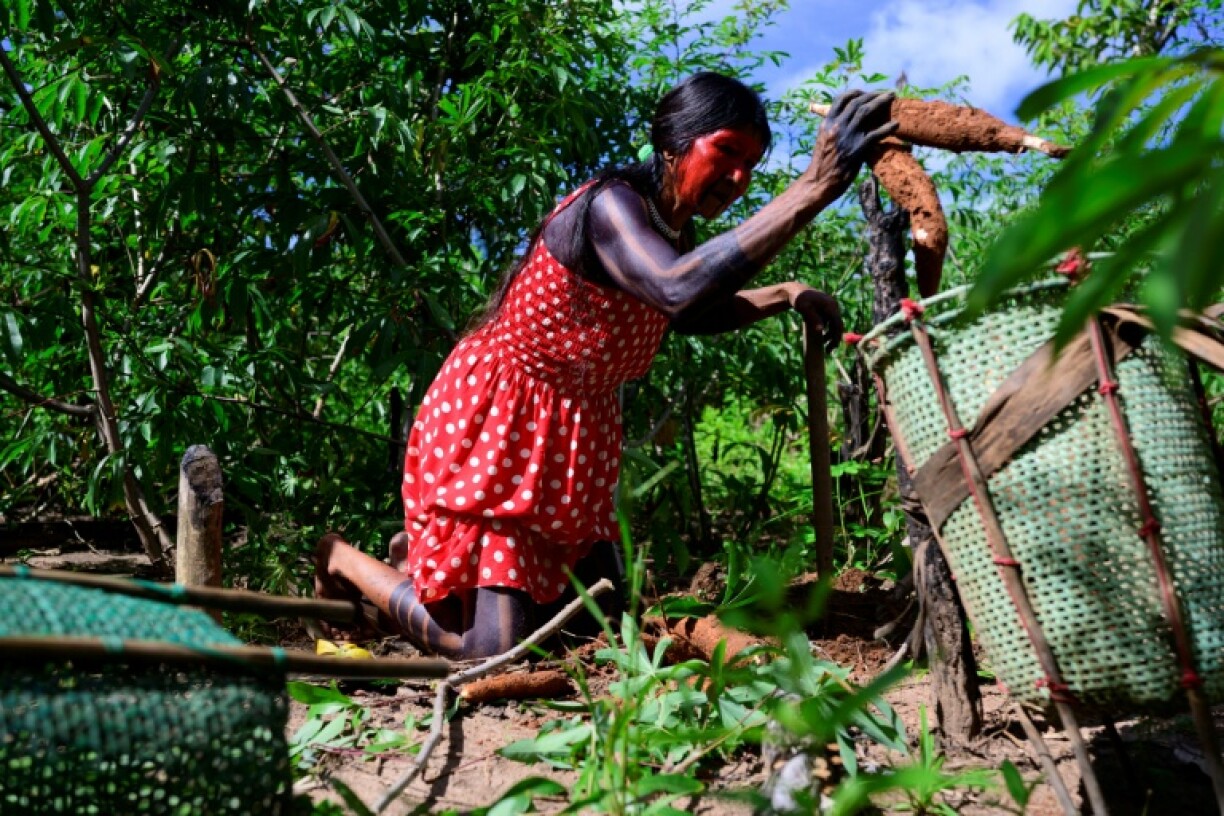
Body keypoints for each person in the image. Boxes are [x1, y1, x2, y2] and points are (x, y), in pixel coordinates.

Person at [315, 73, 897, 658]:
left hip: (571, 435)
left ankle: (419, 569)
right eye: (726, 152)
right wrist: (815, 186)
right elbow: (676, 290)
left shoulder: (672, 227)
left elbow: (684, 310)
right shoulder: (612, 207)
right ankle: (340, 557)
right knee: (497, 650)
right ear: (673, 142)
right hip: (501, 422)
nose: (738, 177)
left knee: (594, 626)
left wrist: (782, 293)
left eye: (750, 163)